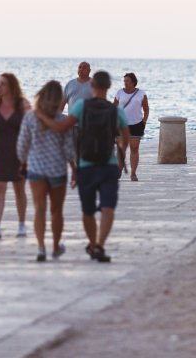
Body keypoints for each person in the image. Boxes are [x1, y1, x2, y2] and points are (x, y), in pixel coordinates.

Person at [37, 71, 130, 263]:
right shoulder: (116, 111)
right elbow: (125, 136)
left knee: (87, 210)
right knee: (108, 208)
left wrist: (41, 116)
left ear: (91, 86)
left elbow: (63, 128)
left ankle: (93, 242)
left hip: (86, 165)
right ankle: (99, 245)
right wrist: (121, 150)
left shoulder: (81, 107)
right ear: (108, 87)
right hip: (108, 164)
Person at [16, 80, 76, 262]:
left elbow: (22, 145)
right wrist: (74, 169)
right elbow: (69, 150)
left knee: (39, 209)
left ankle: (41, 247)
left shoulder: (30, 117)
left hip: (36, 170)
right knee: (56, 211)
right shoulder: (63, 120)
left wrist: (23, 163)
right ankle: (56, 246)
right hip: (57, 170)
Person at [0, 73, 30, 240]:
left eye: (3, 84)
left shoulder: (23, 105)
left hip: (20, 153)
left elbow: (31, 130)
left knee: (19, 189)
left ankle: (22, 224)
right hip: (0, 152)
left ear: (11, 86)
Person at [113, 72, 149, 181]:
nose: (125, 83)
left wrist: (144, 121)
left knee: (134, 148)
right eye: (124, 81)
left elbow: (146, 109)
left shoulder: (141, 93)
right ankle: (119, 170)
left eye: (127, 81)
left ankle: (133, 173)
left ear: (133, 82)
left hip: (136, 124)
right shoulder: (119, 92)